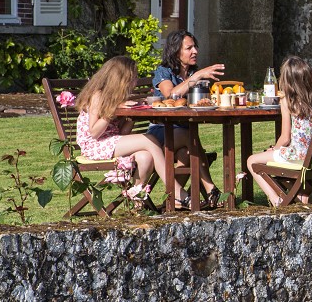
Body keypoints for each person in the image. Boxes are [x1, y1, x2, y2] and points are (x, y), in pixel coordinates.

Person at [75, 56, 175, 208]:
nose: (135, 82)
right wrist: (113, 110)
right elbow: (94, 132)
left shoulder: (118, 97)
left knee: (145, 157)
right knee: (150, 139)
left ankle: (137, 204)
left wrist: (131, 115)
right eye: (133, 78)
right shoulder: (98, 95)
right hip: (94, 145)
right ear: (120, 79)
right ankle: (176, 192)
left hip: (110, 141)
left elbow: (122, 133)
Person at [149, 30, 223, 206]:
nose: (195, 51)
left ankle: (176, 199)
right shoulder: (163, 72)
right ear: (176, 51)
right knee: (189, 137)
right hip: (160, 132)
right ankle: (211, 189)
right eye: (189, 48)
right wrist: (197, 77)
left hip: (183, 135)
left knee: (187, 153)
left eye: (195, 47)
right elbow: (170, 95)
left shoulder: (192, 73)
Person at [247, 56, 312, 206]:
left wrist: (276, 149)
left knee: (251, 161)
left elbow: (285, 137)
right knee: (276, 159)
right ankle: (301, 194)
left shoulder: (287, 101)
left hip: (297, 156)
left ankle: (276, 199)